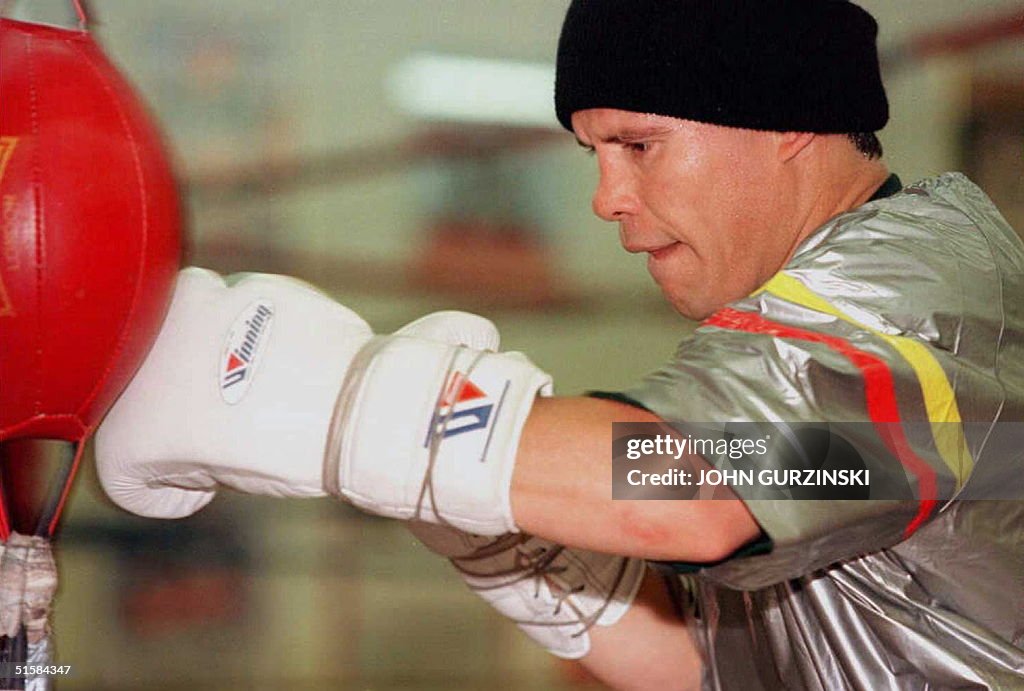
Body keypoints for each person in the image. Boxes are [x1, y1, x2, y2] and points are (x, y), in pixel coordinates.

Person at [95, 1, 1024, 689]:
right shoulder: (869, 399)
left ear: (785, 122)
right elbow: (699, 664)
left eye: (639, 144)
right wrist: (506, 542)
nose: (605, 196)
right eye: (594, 153)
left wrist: (358, 405)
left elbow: (695, 483)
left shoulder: (915, 305)